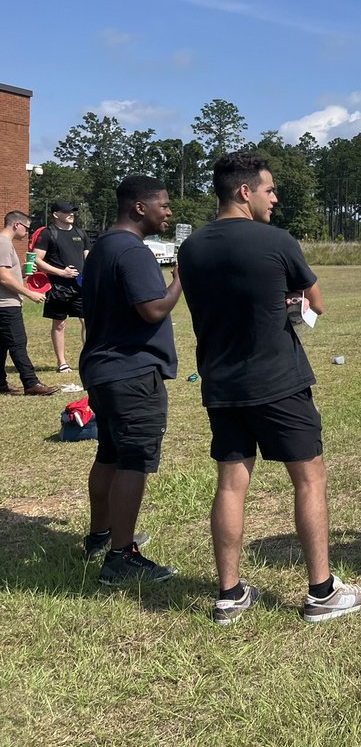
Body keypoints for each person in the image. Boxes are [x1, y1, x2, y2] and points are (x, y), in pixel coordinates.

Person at [179, 152, 361, 625]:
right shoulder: (276, 240)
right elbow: (317, 303)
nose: (276, 198)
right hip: (277, 381)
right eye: (269, 190)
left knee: (231, 483)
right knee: (309, 478)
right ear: (245, 192)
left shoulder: (190, 248)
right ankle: (322, 592)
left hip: (220, 382)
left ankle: (229, 594)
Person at [79, 176, 181, 584]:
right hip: (132, 372)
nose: (168, 211)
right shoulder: (133, 251)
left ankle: (101, 535)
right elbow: (153, 310)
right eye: (164, 204)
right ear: (140, 207)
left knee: (109, 452)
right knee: (133, 461)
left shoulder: (103, 246)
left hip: (102, 368)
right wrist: (180, 279)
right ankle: (121, 557)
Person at [0, 211, 59, 396]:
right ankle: (31, 383)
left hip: (5, 303)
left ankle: (0, 383)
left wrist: (24, 273)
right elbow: (3, 278)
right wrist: (30, 293)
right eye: (26, 228)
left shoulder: (5, 244)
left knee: (2, 345)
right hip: (6, 304)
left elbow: (8, 275)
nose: (27, 232)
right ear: (16, 225)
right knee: (18, 343)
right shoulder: (3, 243)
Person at [33, 199, 91, 373]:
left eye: (72, 211)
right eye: (67, 212)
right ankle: (62, 362)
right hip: (59, 286)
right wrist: (61, 273)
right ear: (56, 215)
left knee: (87, 321)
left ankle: (89, 359)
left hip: (81, 285)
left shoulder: (81, 233)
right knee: (59, 324)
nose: (71, 214)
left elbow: (88, 257)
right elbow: (36, 259)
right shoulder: (48, 234)